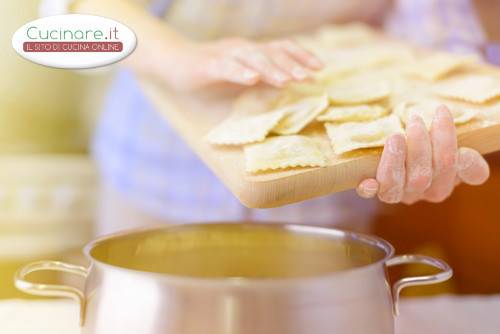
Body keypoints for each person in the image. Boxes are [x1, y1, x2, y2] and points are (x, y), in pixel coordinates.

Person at [51, 0, 490, 234]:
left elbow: (436, 33)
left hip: (324, 196)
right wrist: (181, 59)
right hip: (150, 174)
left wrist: (441, 133)